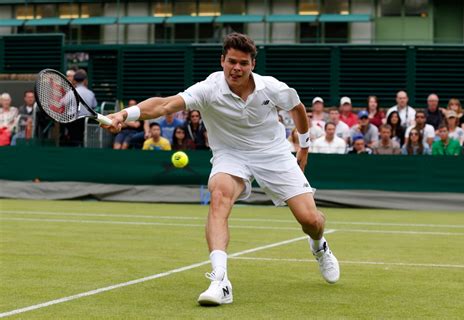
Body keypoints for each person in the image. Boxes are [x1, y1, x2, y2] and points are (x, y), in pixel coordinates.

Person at [101, 32, 339, 306]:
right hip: (230, 154)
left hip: (274, 154)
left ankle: (319, 246)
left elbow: (297, 108)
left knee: (311, 220)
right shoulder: (208, 88)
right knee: (219, 196)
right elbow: (164, 104)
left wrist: (305, 147)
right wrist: (122, 115)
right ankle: (220, 280)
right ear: (222, 61)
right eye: (232, 62)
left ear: (252, 65)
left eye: (243, 63)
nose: (236, 68)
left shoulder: (271, 87)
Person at [63, 69, 97, 146]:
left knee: (73, 140)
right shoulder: (90, 94)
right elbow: (94, 106)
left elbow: (62, 103)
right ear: (85, 81)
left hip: (73, 121)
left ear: (74, 81)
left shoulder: (71, 93)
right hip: (86, 121)